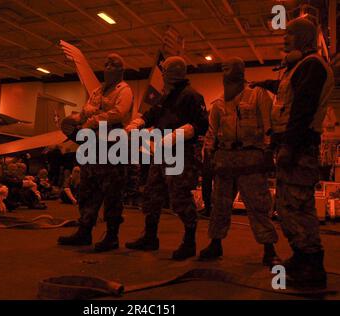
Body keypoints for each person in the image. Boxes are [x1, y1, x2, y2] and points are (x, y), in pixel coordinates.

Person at [251, 17, 334, 288]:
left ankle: (312, 266)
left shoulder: (312, 66)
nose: (284, 39)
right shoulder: (299, 67)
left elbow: (302, 110)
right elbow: (288, 96)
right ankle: (301, 257)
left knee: (296, 207)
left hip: (299, 148)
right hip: (294, 146)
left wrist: (289, 146)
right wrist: (266, 83)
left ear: (304, 38)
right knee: (290, 206)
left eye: (290, 34)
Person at [198, 57, 281, 266]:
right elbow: (211, 133)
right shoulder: (218, 103)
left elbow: (269, 125)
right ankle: (215, 243)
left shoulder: (258, 95)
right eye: (224, 66)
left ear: (242, 70)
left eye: (231, 65)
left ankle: (269, 248)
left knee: (258, 205)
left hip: (251, 157)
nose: (226, 68)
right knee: (220, 205)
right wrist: (208, 156)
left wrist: (269, 152)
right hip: (225, 159)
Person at [124, 56, 209, 260]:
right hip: (160, 152)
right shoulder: (166, 96)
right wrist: (138, 122)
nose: (162, 74)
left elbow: (201, 125)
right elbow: (152, 114)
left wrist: (178, 134)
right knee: (152, 195)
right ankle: (150, 237)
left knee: (180, 198)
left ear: (172, 73)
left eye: (165, 70)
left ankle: (189, 242)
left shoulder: (191, 96)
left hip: (180, 154)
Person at [58, 53, 133, 252]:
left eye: (113, 64)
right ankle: (84, 230)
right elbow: (85, 111)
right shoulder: (98, 91)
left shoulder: (124, 90)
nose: (107, 67)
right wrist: (73, 120)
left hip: (112, 146)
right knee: (87, 189)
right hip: (92, 145)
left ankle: (111, 236)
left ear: (120, 70)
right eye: (106, 63)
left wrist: (92, 121)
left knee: (112, 192)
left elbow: (119, 113)